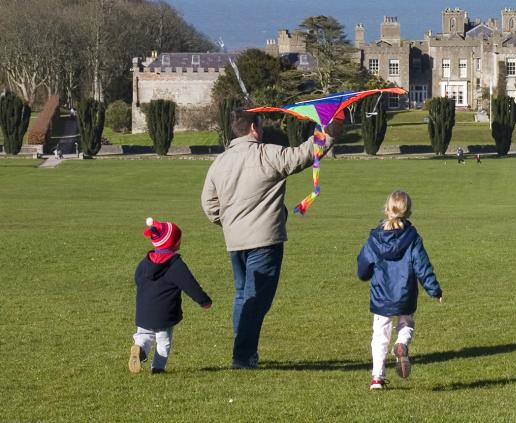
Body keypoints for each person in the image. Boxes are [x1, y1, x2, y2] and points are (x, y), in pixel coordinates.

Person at [201, 109, 342, 369]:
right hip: (264, 240)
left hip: (235, 241)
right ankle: (242, 356)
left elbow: (209, 204)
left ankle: (242, 347)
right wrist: (331, 130)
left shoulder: (219, 162)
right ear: (254, 129)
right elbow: (304, 155)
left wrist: (229, 223)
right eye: (261, 127)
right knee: (256, 300)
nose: (263, 131)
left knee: (243, 295)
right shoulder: (268, 154)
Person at [356, 191, 443, 390]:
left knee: (380, 336)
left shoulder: (375, 238)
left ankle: (377, 378)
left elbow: (363, 266)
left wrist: (365, 275)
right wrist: (434, 290)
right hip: (405, 294)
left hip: (381, 296)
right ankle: (402, 343)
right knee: (406, 323)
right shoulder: (412, 238)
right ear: (409, 212)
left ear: (387, 209)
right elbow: (423, 266)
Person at [129, 217, 212, 374]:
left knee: (143, 335)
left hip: (144, 311)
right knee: (163, 341)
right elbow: (190, 284)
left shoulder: (145, 262)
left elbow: (137, 279)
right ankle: (158, 369)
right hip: (164, 313)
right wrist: (204, 301)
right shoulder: (175, 265)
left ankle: (140, 350)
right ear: (174, 243)